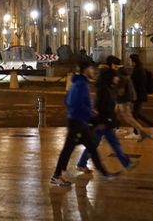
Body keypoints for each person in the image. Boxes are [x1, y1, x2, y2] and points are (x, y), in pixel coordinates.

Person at [49, 60, 120, 188]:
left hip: (78, 121)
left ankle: (104, 173)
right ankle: (57, 175)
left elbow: (67, 99)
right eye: (91, 69)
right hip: (77, 122)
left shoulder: (78, 82)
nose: (93, 71)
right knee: (72, 149)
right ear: (86, 69)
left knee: (89, 147)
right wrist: (91, 115)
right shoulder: (81, 84)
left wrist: (88, 112)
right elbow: (75, 103)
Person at [76, 57, 136, 172]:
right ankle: (126, 163)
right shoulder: (105, 90)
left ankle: (82, 163)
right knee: (112, 143)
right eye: (115, 77)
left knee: (97, 143)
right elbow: (103, 107)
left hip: (104, 121)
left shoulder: (107, 88)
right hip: (103, 121)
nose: (116, 78)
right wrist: (108, 120)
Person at [115, 67, 150, 142]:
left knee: (129, 118)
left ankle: (142, 132)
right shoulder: (128, 78)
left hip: (123, 101)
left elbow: (121, 92)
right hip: (125, 101)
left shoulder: (122, 79)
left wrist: (115, 87)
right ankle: (109, 132)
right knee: (115, 115)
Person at [129, 53, 153, 137]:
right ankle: (152, 125)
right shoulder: (138, 69)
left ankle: (136, 132)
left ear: (134, 61)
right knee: (136, 113)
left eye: (131, 61)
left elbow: (139, 84)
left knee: (134, 114)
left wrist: (135, 95)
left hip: (139, 95)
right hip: (138, 94)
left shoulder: (139, 70)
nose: (130, 62)